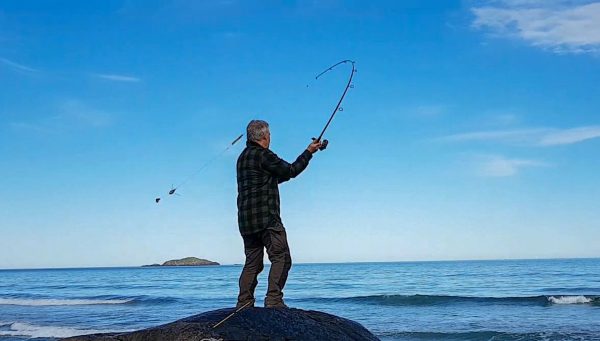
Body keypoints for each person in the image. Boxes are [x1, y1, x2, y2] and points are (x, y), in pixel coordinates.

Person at [236, 120, 322, 308]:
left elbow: (273, 178)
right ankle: (274, 301)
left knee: (252, 263)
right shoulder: (263, 155)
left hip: (246, 222)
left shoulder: (242, 158)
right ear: (265, 136)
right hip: (267, 219)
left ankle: (244, 303)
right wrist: (309, 152)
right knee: (281, 257)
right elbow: (290, 171)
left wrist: (308, 152)